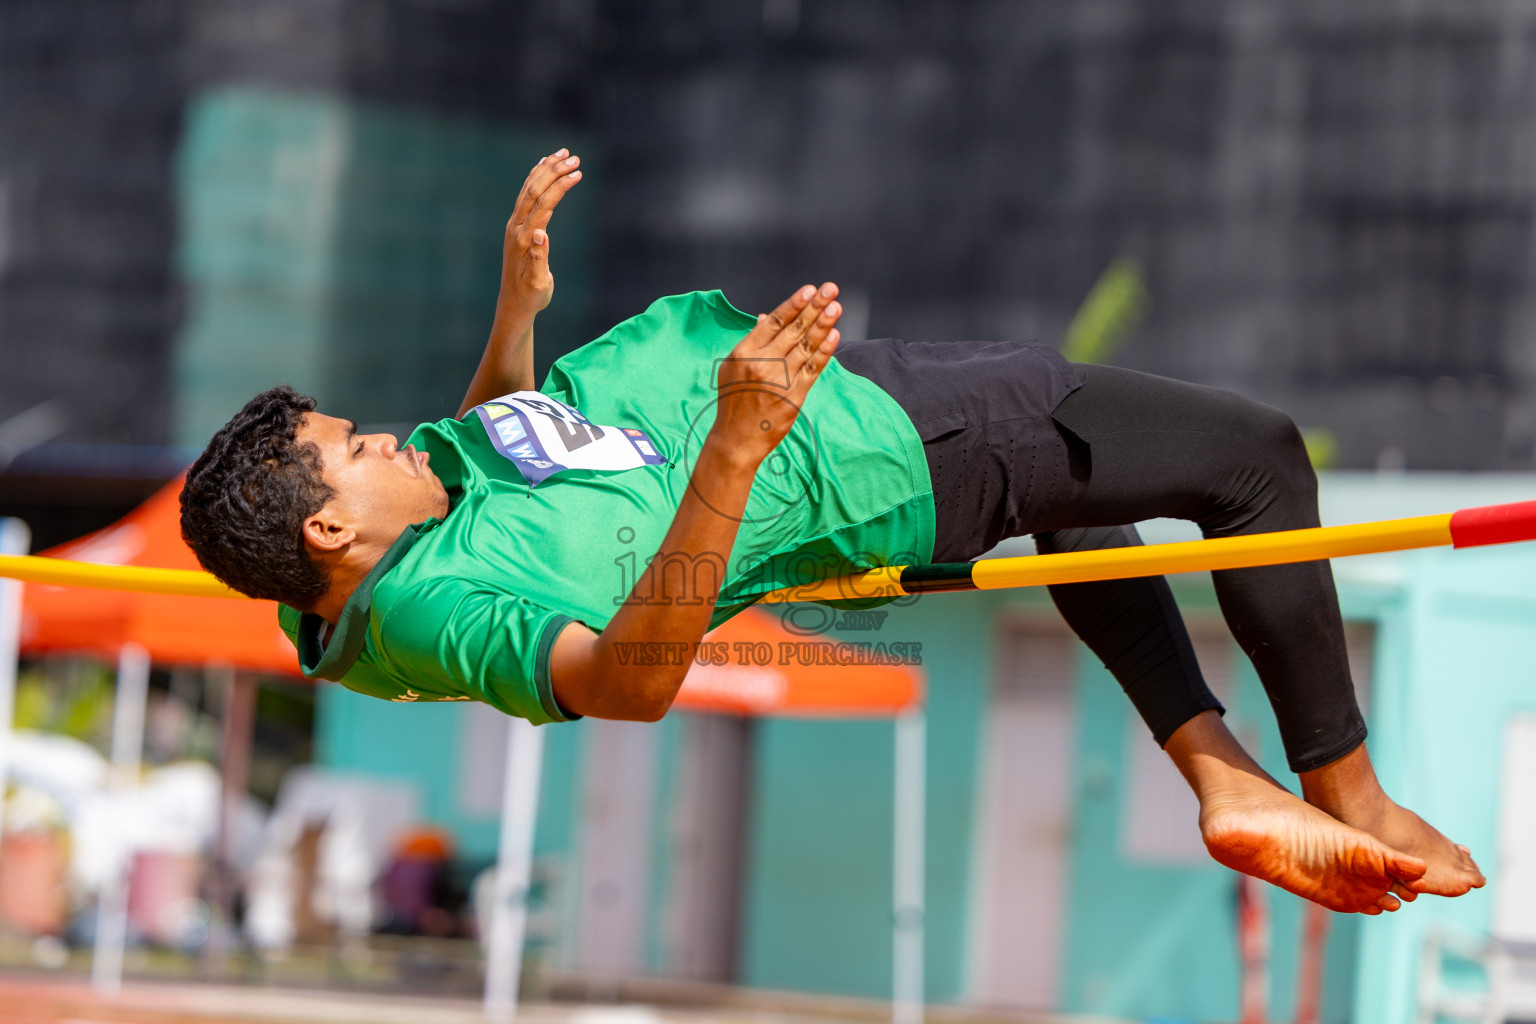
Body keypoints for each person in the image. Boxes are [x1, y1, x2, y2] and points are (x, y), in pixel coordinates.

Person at [181, 149, 1484, 916]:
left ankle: (1218, 775)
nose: (388, 439)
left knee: (1092, 502)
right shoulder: (433, 608)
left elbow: (495, 459)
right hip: (854, 446)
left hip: (827, 412)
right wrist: (741, 441)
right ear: (336, 529)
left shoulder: (373, 582)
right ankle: (1347, 787)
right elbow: (629, 686)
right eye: (357, 452)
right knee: (1251, 459)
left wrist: (515, 313)